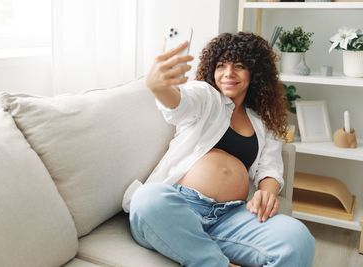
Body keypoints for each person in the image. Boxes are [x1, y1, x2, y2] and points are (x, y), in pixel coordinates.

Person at [122, 32, 315, 267]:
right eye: (221, 65)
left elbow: (270, 169)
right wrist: (159, 87)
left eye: (239, 66)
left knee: (298, 239)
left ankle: (196, 246)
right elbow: (179, 105)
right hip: (178, 209)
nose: (228, 73)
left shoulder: (262, 123)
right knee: (148, 199)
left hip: (230, 216)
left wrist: (268, 192)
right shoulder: (206, 97)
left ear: (255, 73)